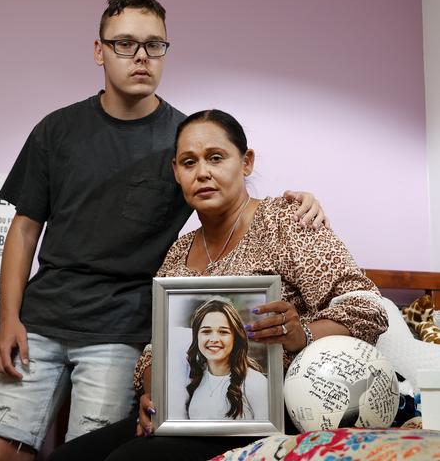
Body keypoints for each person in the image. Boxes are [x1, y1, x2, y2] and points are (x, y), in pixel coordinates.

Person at [0, 0, 328, 461]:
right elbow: (24, 229)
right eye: (124, 43)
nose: (141, 56)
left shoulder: (184, 139)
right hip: (40, 320)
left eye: (154, 44)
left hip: (122, 330)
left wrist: (302, 201)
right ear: (99, 50)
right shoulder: (56, 130)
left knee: (84, 452)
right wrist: (8, 319)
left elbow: (229, 201)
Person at [47, 109, 388, 461]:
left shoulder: (287, 220)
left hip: (271, 408)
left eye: (215, 157)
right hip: (193, 410)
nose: (203, 173)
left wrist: (300, 333)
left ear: (246, 162)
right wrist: (154, 394)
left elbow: (367, 308)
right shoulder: (178, 252)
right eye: (189, 162)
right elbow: (156, 350)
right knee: (65, 459)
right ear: (176, 172)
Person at [184, 299, 267, 421]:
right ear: (197, 336)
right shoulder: (192, 378)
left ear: (236, 337)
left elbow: (269, 437)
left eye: (223, 332)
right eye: (206, 331)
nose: (214, 339)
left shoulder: (255, 382)